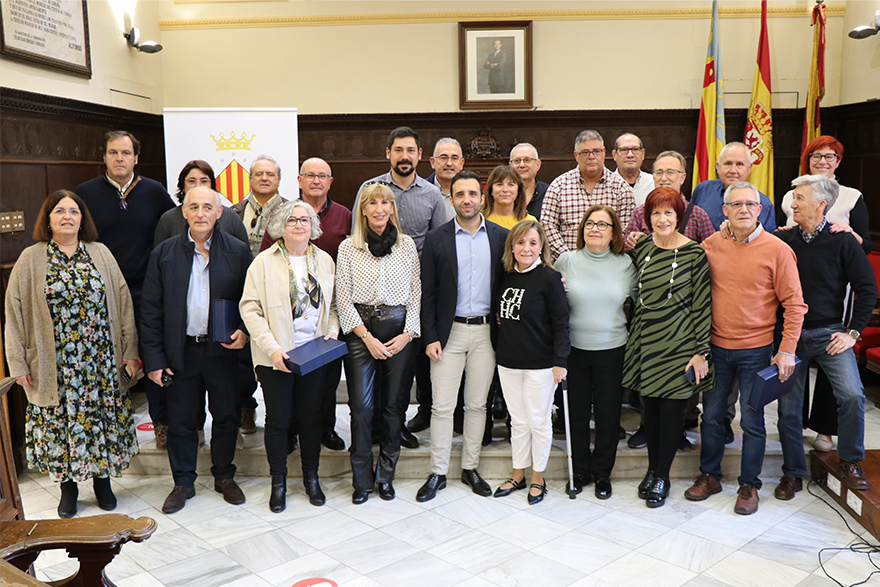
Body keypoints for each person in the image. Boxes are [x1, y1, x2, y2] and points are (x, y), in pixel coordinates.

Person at [4, 190, 139, 518]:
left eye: (74, 211)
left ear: (83, 219)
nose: (67, 216)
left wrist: (130, 351)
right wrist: (17, 362)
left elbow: (122, 303)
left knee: (101, 422)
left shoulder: (100, 253)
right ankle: (69, 489)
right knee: (62, 427)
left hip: (100, 362)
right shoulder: (31, 258)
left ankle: (103, 483)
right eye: (59, 211)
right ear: (47, 220)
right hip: (56, 366)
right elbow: (14, 312)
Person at [686, 182, 806, 516]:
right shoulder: (710, 245)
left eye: (750, 204)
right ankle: (709, 476)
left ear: (760, 210)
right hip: (715, 349)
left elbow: (795, 305)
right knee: (710, 417)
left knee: (752, 421)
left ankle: (749, 484)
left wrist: (786, 350)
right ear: (724, 210)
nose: (743, 210)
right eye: (735, 204)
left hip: (757, 350)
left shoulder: (777, 249)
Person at [140, 186, 253, 514]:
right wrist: (155, 359)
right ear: (184, 212)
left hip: (223, 352)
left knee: (226, 415)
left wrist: (244, 331)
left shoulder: (238, 251)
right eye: (194, 207)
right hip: (181, 352)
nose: (201, 213)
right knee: (182, 420)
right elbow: (150, 312)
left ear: (220, 213)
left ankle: (224, 476)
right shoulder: (163, 254)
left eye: (208, 207)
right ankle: (184, 482)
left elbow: (252, 301)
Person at [775, 175, 876, 496]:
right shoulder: (783, 240)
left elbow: (867, 288)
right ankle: (792, 472)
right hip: (789, 336)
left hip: (830, 333)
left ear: (821, 205)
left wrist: (853, 333)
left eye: (799, 199)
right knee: (788, 409)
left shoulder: (843, 240)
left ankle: (849, 460)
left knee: (851, 395)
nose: (792, 205)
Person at [75, 130, 175, 449]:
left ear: (136, 158)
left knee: (153, 356)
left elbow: (174, 229)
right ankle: (107, 424)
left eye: (125, 153)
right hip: (103, 291)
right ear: (103, 157)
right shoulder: (85, 193)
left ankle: (163, 424)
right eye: (113, 152)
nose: (120, 158)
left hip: (148, 289)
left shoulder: (154, 191)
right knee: (108, 359)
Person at [352, 127, 449, 450]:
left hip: (414, 292)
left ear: (420, 155)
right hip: (374, 288)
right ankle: (374, 428)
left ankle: (396, 426)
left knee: (406, 369)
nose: (404, 156)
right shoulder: (371, 189)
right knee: (374, 371)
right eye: (398, 150)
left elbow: (442, 242)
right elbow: (357, 237)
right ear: (388, 154)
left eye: (410, 150)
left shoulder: (432, 195)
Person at [416, 171, 509, 502]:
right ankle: (438, 471)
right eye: (460, 195)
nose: (467, 200)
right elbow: (426, 293)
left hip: (487, 333)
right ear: (451, 199)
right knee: (441, 407)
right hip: (448, 333)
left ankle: (470, 467)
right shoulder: (437, 238)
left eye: (473, 194)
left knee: (477, 404)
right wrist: (429, 336)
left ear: (483, 198)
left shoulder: (501, 237)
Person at [241, 201, 339, 513]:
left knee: (311, 418)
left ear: (313, 226)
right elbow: (250, 308)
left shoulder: (324, 260)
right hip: (276, 355)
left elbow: (334, 305)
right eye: (292, 220)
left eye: (305, 220)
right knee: (279, 419)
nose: (299, 225)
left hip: (313, 354)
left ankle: (312, 477)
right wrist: (273, 348)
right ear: (281, 226)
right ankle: (278, 481)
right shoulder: (263, 262)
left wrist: (333, 331)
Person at [621, 188, 713, 507]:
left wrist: (701, 352)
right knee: (651, 414)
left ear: (679, 217)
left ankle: (663, 476)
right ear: (648, 218)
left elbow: (702, 305)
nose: (662, 219)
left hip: (680, 345)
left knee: (672, 414)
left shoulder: (694, 253)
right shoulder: (642, 246)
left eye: (669, 213)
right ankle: (651, 470)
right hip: (646, 341)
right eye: (656, 213)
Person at [336, 183, 421, 504]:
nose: (380, 208)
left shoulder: (407, 245)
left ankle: (385, 476)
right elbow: (342, 298)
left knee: (392, 408)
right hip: (361, 332)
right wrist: (366, 337)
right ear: (363, 209)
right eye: (373, 203)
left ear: (392, 209)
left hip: (399, 330)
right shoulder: (348, 248)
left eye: (386, 202)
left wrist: (407, 334)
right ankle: (361, 481)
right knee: (361, 407)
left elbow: (416, 292)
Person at [259, 158, 352, 451]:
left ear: (330, 181)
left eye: (322, 176)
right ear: (299, 180)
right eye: (310, 175)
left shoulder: (344, 215)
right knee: (286, 392)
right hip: (284, 317)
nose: (316, 180)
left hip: (325, 315)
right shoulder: (284, 214)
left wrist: (334, 324)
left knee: (324, 384)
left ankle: (325, 429)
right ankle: (288, 433)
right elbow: (266, 256)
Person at [555, 206, 637, 500]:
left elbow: (639, 305)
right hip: (574, 350)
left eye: (603, 225)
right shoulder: (566, 260)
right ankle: (579, 469)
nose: (595, 229)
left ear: (614, 232)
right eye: (590, 223)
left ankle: (603, 472)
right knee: (574, 414)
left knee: (607, 416)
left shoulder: (626, 264)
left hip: (612, 349)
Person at [494, 220, 569, 505]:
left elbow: (561, 323)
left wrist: (560, 360)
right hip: (508, 362)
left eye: (533, 243)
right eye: (521, 242)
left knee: (538, 422)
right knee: (519, 421)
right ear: (512, 247)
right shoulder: (505, 276)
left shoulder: (550, 278)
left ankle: (538, 477)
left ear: (541, 247)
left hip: (541, 364)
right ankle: (518, 474)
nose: (527, 248)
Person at [541, 130, 635, 260]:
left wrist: (603, 258)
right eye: (585, 152)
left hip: (608, 264)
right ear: (576, 155)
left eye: (596, 151)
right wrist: (568, 258)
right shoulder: (559, 186)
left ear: (603, 152)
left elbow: (625, 231)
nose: (591, 157)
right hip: (565, 265)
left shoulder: (621, 188)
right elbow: (547, 226)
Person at [624, 150, 715, 250]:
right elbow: (627, 254)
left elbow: (712, 252)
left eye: (670, 172)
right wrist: (633, 242)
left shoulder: (698, 215)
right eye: (659, 172)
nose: (663, 178)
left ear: (682, 178)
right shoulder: (640, 213)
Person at [154, 160, 249, 246]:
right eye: (191, 181)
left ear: (212, 186)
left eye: (204, 181)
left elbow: (243, 257)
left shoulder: (231, 217)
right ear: (182, 187)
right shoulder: (168, 219)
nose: (198, 186)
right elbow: (159, 257)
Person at [690, 142, 776, 232]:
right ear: (718, 167)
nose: (733, 170)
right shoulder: (702, 191)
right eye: (728, 164)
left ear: (749, 168)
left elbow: (767, 242)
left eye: (739, 164)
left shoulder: (764, 204)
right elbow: (688, 229)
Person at [232, 155, 288, 258]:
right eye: (259, 174)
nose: (264, 178)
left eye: (270, 174)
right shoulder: (234, 212)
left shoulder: (291, 212)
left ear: (279, 180)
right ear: (250, 180)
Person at [482, 165, 537, 230]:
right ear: (491, 190)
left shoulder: (529, 222)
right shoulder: (479, 219)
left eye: (511, 184)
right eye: (499, 184)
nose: (505, 190)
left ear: (518, 191)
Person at [509, 143, 550, 220]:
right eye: (517, 161)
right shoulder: (504, 193)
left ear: (538, 164)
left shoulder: (550, 192)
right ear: (510, 166)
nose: (522, 165)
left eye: (527, 160)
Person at [612, 133, 654, 207]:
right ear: (614, 155)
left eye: (635, 149)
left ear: (643, 153)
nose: (630, 155)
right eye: (624, 150)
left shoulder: (654, 183)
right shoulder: (606, 185)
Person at [427, 137, 465, 218]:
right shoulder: (421, 191)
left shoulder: (473, 193)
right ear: (432, 162)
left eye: (454, 158)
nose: (449, 163)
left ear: (462, 163)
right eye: (443, 158)